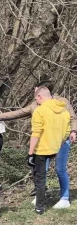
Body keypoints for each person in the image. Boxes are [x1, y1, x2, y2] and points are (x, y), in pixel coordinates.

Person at [0, 80, 76, 208]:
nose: (34, 92)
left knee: (60, 169)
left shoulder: (62, 102)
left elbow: (72, 117)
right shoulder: (35, 105)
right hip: (44, 143)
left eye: (35, 89)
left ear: (41, 90)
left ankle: (64, 198)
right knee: (41, 170)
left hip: (62, 140)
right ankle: (40, 195)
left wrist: (73, 131)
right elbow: (18, 113)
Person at [28, 87, 71, 215]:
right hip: (58, 146)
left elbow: (36, 133)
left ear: (40, 97)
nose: (36, 102)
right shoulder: (64, 110)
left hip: (42, 149)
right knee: (60, 170)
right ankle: (62, 197)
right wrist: (59, 141)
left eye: (36, 99)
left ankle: (40, 206)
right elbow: (67, 131)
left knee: (40, 177)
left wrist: (30, 153)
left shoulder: (39, 111)